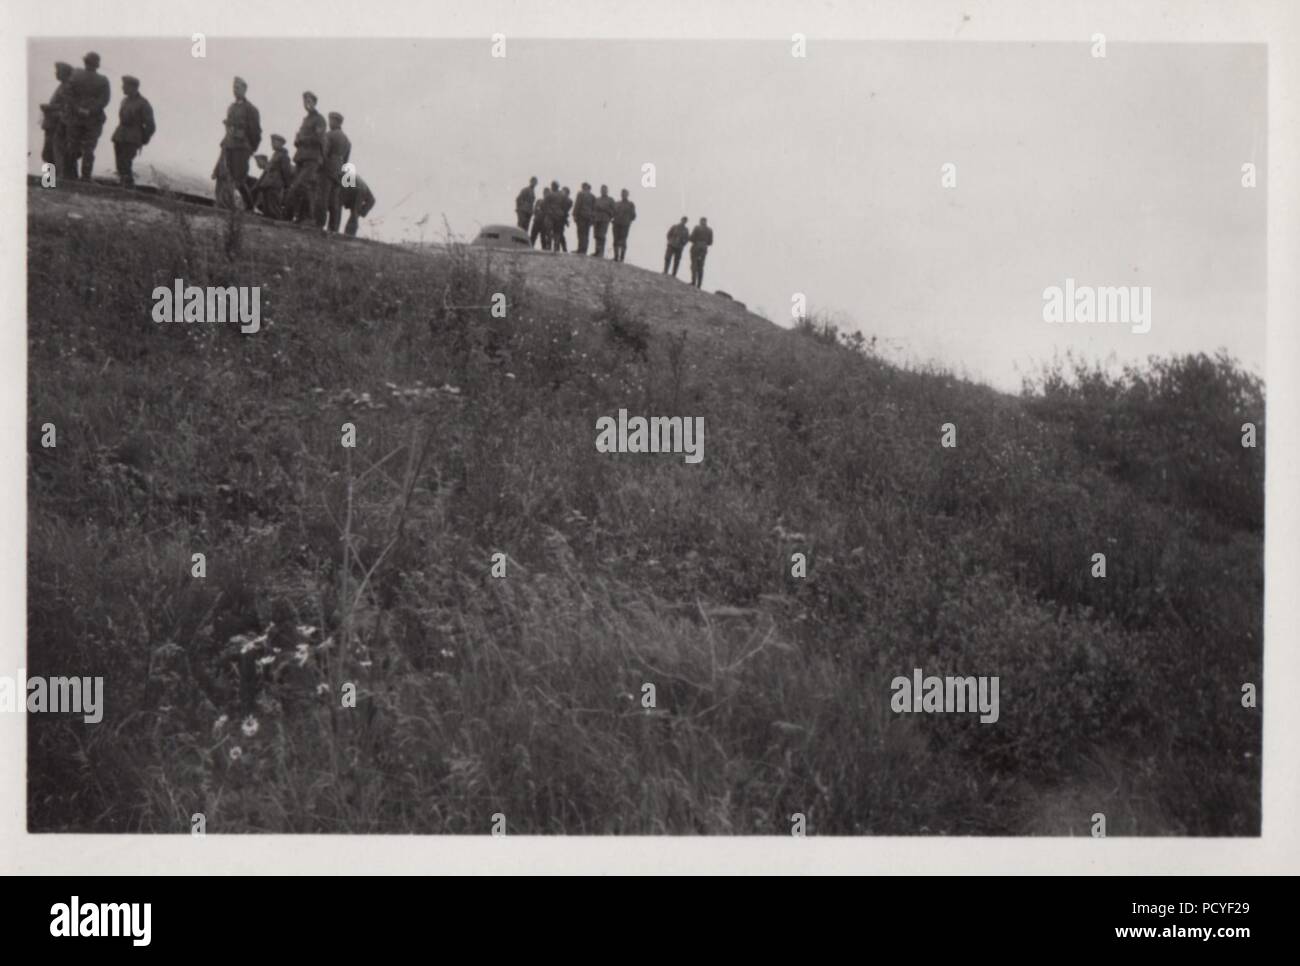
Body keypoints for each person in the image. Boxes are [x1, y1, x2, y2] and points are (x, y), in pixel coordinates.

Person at [65, 51, 111, 180]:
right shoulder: (103, 80)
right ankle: (85, 177)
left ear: (85, 62)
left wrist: (77, 108)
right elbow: (105, 100)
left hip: (75, 117)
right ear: (97, 65)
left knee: (72, 145)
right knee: (89, 148)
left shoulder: (76, 75)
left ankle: (70, 175)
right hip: (93, 119)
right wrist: (90, 111)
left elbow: (68, 94)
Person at [285, 91, 327, 225]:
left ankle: (309, 217)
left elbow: (319, 138)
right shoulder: (305, 120)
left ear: (314, 103)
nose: (307, 104)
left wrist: (302, 138)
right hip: (301, 157)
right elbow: (298, 140)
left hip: (312, 158)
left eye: (309, 101)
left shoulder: (320, 119)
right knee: (302, 186)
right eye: (305, 101)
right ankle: (303, 217)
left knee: (301, 184)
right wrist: (297, 139)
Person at [221, 76, 262, 211]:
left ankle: (249, 207)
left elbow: (256, 132)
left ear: (245, 89)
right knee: (230, 178)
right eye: (234, 88)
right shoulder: (231, 108)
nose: (235, 90)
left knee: (239, 180)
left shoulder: (251, 109)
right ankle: (230, 208)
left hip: (242, 148)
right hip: (230, 145)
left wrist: (251, 148)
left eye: (238, 88)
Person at [109, 75, 155, 188]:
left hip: (132, 137)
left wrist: (142, 139)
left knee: (126, 163)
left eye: (125, 86)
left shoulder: (143, 103)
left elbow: (151, 125)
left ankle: (128, 187)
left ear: (133, 87)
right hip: (120, 135)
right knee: (120, 164)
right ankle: (123, 185)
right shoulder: (124, 101)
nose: (122, 88)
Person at [39, 62, 74, 179]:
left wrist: (49, 107)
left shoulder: (67, 87)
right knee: (49, 153)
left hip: (57, 124)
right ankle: (49, 180)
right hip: (52, 123)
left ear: (64, 73)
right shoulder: (62, 86)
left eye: (58, 71)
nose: (56, 73)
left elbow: (67, 106)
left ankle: (51, 181)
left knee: (53, 153)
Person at [252, 134, 294, 219]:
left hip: (275, 183)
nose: (272, 144)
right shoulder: (275, 155)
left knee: (274, 205)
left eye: (274, 142)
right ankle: (268, 218)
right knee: (267, 205)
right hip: (268, 183)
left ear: (281, 143)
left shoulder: (284, 156)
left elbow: (286, 171)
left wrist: (287, 185)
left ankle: (277, 220)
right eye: (272, 142)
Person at [322, 111, 351, 231]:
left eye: (330, 121)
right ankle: (333, 227)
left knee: (323, 197)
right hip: (339, 171)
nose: (329, 123)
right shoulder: (347, 140)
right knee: (334, 201)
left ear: (334, 121)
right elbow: (346, 160)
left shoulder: (329, 135)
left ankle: (319, 223)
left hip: (327, 168)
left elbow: (324, 152)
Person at [612, 189, 637, 262]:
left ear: (627, 195)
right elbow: (613, 212)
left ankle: (622, 258)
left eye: (625, 194)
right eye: (622, 193)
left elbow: (633, 216)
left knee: (623, 241)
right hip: (616, 223)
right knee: (615, 240)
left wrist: (628, 221)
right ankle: (616, 257)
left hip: (625, 225)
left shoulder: (630, 204)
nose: (623, 195)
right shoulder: (617, 203)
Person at [689, 217, 714, 288]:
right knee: (700, 266)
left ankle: (693, 282)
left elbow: (691, 238)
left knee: (694, 264)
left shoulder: (697, 228)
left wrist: (694, 241)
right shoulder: (710, 230)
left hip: (696, 247)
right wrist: (704, 243)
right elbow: (710, 242)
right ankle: (699, 285)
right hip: (704, 248)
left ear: (700, 221)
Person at [592, 184, 616, 258]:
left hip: (604, 219)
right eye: (602, 190)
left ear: (607, 191)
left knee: (602, 235)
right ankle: (597, 251)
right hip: (597, 219)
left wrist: (607, 213)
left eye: (604, 190)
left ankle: (601, 252)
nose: (603, 191)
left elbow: (614, 211)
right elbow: (593, 209)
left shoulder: (610, 200)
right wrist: (593, 216)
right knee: (596, 235)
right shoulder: (597, 199)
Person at [573, 182, 595, 254]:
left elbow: (577, 205)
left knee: (580, 233)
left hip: (581, 216)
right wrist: (593, 218)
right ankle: (584, 250)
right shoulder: (593, 196)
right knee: (586, 233)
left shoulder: (581, 194)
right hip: (589, 217)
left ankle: (580, 249)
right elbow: (594, 209)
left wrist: (574, 215)